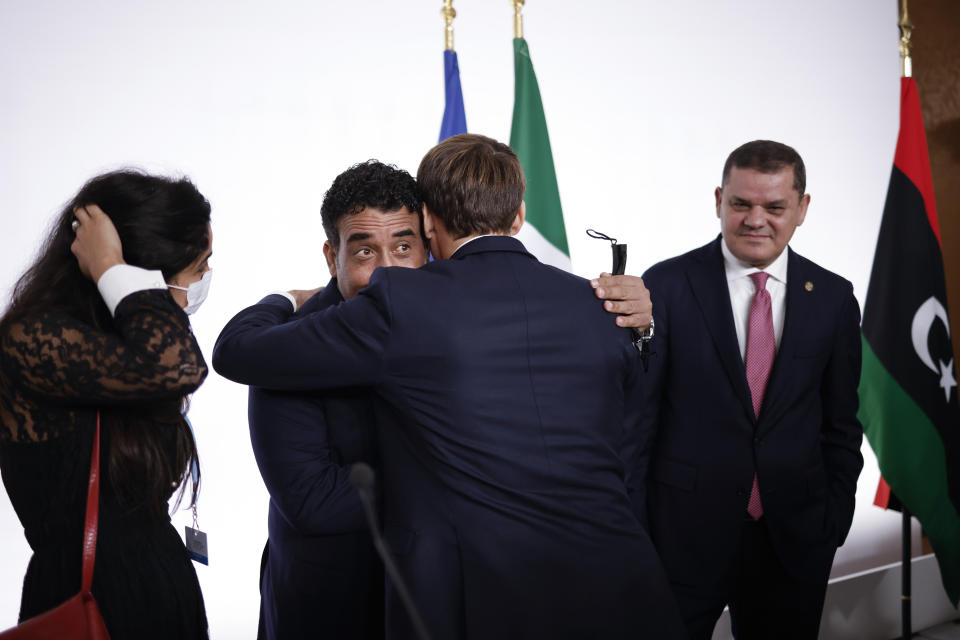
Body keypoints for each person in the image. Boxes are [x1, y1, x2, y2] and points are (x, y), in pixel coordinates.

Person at [213, 134, 684, 639]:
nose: (387, 269)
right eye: (366, 250)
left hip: (484, 594)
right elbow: (312, 500)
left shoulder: (414, 306)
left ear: (428, 227)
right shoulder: (598, 305)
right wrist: (285, 300)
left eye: (403, 244)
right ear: (519, 214)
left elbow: (629, 442)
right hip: (343, 603)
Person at [637, 140, 864, 639]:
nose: (755, 219)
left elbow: (841, 427)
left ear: (802, 209)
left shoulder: (833, 299)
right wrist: (636, 527)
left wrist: (831, 524)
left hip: (794, 537)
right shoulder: (666, 287)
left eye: (775, 207)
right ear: (719, 199)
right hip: (682, 536)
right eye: (741, 204)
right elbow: (640, 422)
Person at [0, 170, 214, 639]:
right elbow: (178, 368)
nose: (204, 281)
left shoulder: (125, 342)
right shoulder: (34, 337)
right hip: (89, 597)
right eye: (199, 267)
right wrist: (114, 269)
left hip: (160, 587)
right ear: (147, 272)